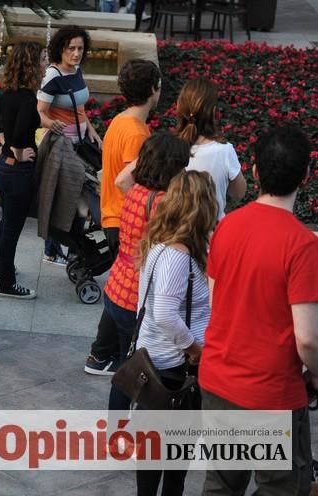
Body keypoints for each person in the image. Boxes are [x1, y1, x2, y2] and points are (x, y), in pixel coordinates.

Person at [199, 125, 318, 495]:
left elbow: (217, 303)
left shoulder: (227, 227)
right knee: (281, 487)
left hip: (219, 380)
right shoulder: (302, 245)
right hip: (272, 394)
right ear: (306, 175)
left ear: (253, 171)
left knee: (221, 483)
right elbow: (308, 339)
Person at [132, 170, 219, 496]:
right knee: (170, 461)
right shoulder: (177, 255)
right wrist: (195, 349)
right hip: (172, 370)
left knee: (158, 456)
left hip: (157, 363)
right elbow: (166, 314)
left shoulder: (161, 243)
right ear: (202, 206)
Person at [87, 132, 190, 381]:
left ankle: (118, 418)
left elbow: (123, 177)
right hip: (136, 298)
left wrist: (147, 155)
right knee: (134, 374)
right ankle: (128, 418)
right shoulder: (162, 203)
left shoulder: (135, 191)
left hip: (117, 287)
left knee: (125, 367)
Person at [84, 58, 161, 375]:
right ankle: (114, 357)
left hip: (114, 217)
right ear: (154, 89)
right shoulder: (135, 133)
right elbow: (131, 179)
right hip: (124, 220)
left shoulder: (121, 121)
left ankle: (100, 356)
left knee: (120, 289)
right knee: (129, 297)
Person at [37, 25, 103, 267]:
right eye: (71, 48)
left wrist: (93, 133)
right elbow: (40, 112)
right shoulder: (52, 75)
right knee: (67, 197)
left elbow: (80, 108)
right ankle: (54, 250)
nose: (76, 53)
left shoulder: (77, 70)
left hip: (80, 143)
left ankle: (72, 249)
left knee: (79, 200)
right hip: (61, 147)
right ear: (61, 49)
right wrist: (50, 123)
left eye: (80, 49)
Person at [0, 41, 43, 299]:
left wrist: (3, 142)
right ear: (32, 66)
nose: (45, 64)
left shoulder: (10, 93)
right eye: (42, 59)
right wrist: (18, 149)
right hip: (18, 172)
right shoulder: (28, 98)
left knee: (7, 223)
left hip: (3, 168)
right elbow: (20, 131)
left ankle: (3, 270)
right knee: (11, 228)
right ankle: (6, 284)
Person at [175, 78, 247, 219]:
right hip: (214, 233)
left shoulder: (169, 148)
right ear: (214, 112)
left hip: (178, 233)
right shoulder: (224, 151)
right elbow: (239, 192)